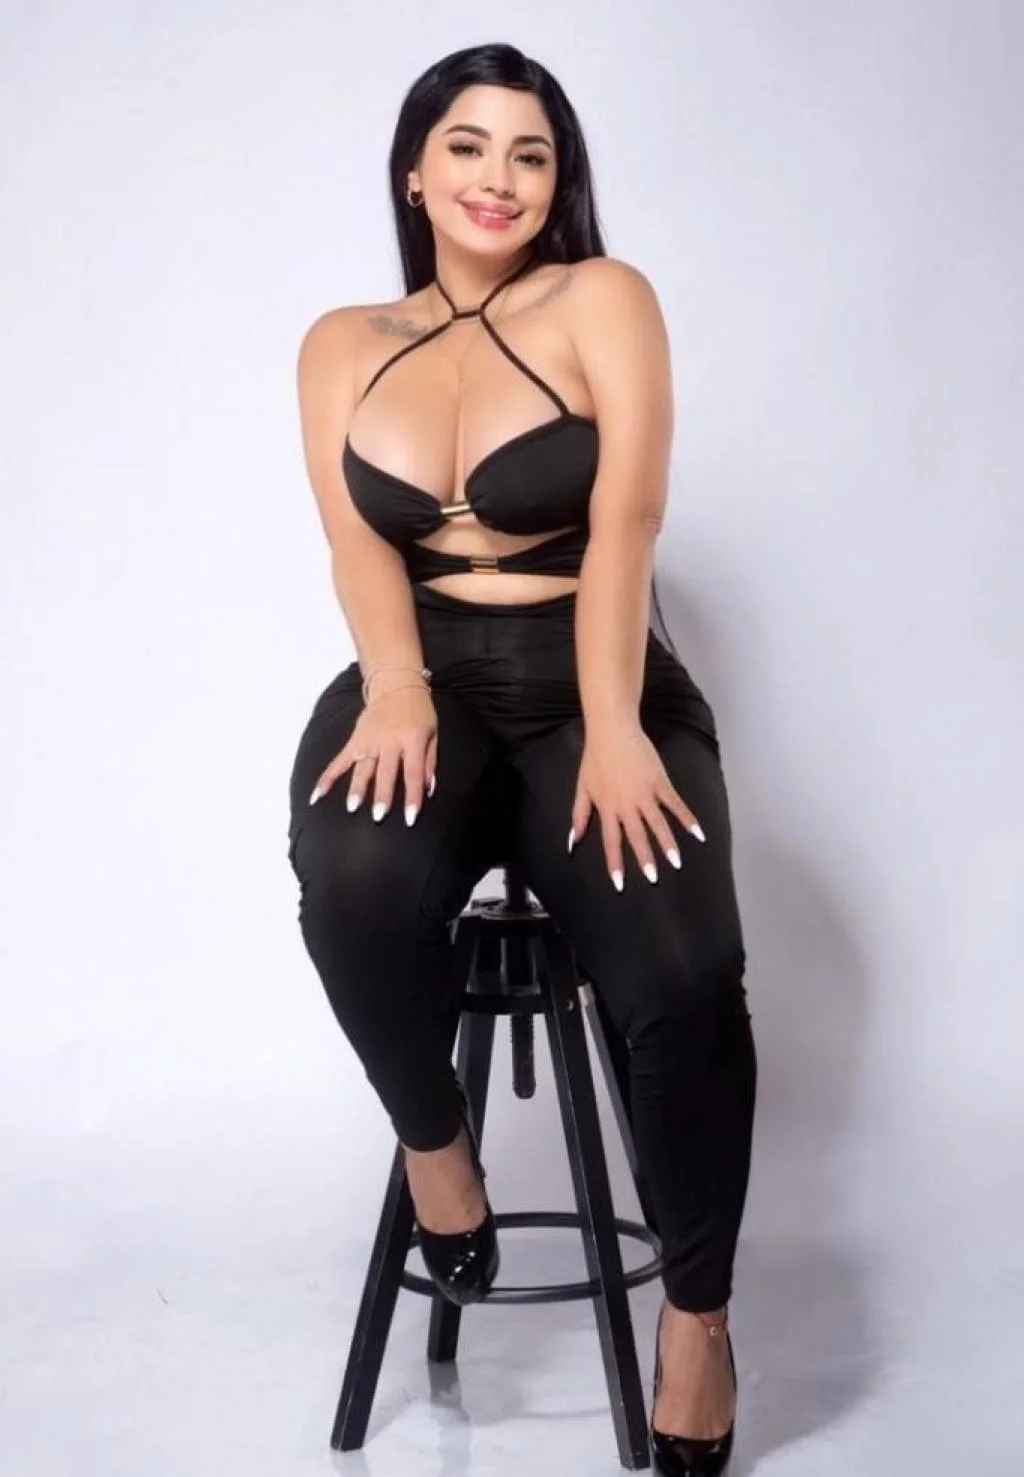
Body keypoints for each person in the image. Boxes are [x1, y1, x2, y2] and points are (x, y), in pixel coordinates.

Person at [285, 42, 757, 1477]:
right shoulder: (341, 341)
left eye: (531, 153)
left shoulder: (602, 299)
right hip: (423, 678)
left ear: (561, 181)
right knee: (352, 876)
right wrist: (394, 689)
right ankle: (440, 1155)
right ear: (414, 172)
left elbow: (628, 521)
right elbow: (357, 541)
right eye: (470, 146)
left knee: (681, 971)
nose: (500, 178)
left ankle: (698, 1319)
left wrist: (613, 728)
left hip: (591, 676)